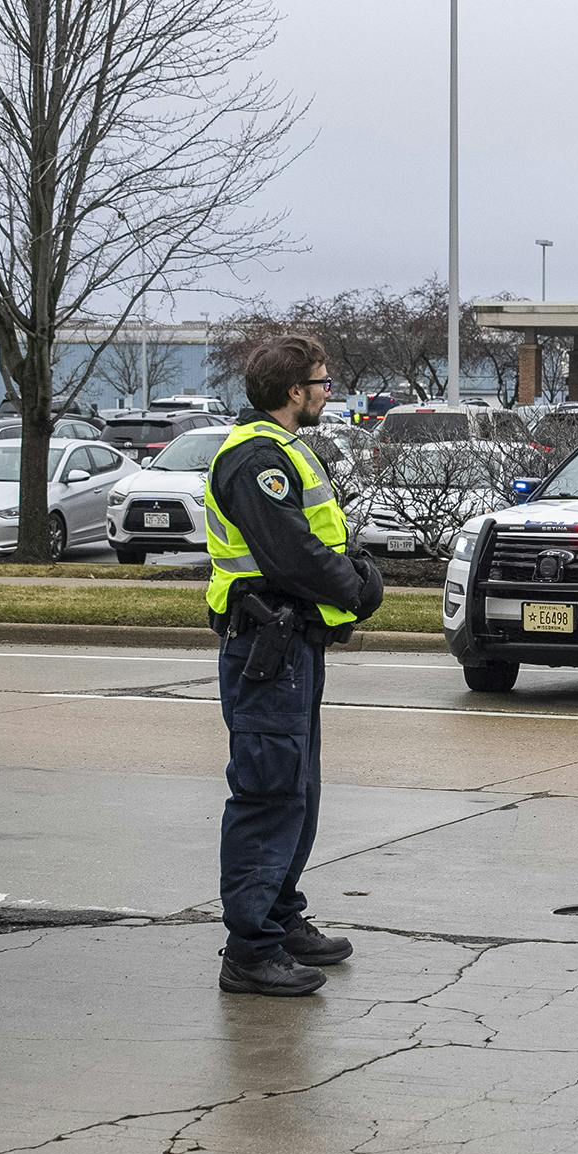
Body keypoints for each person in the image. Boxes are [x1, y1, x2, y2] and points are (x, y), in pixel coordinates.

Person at [204, 335, 385, 996]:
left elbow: (317, 536)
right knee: (269, 792)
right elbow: (292, 556)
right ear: (293, 392)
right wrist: (357, 586)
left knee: (297, 792)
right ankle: (249, 951)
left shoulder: (281, 451)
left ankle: (279, 919)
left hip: (290, 647)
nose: (328, 390)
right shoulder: (256, 458)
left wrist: (355, 569)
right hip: (266, 647)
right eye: (323, 381)